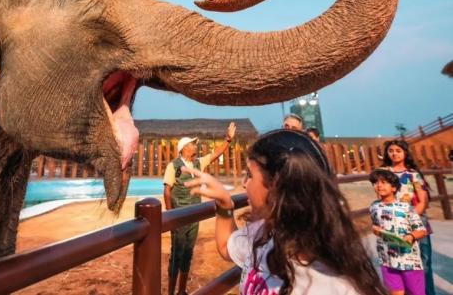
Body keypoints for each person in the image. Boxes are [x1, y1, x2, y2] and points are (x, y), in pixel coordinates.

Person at [182, 129, 385, 295]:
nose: (244, 185)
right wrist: (225, 205)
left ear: (276, 186)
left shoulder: (334, 287)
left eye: (250, 176)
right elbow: (227, 247)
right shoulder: (267, 232)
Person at [163, 122, 236, 295]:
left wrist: (228, 140)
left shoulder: (198, 163)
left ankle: (181, 291)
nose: (195, 145)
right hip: (179, 218)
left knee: (188, 253)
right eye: (192, 144)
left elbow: (216, 154)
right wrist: (171, 216)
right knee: (176, 255)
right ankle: (170, 293)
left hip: (194, 217)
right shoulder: (173, 166)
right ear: (184, 148)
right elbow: (167, 191)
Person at [381, 139, 435, 295]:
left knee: (423, 263)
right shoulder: (384, 173)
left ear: (405, 153)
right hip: (392, 223)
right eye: (391, 150)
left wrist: (409, 219)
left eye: (398, 150)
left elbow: (423, 200)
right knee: (397, 263)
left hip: (416, 222)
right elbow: (381, 196)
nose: (394, 153)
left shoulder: (413, 174)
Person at [369, 169, 427, 295]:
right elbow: (376, 225)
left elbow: (422, 230)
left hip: (409, 260)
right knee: (395, 292)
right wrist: (375, 230)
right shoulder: (373, 206)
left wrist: (411, 236)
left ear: (394, 188)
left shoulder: (406, 208)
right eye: (376, 183)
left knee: (415, 292)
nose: (379, 185)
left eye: (383, 182)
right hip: (387, 259)